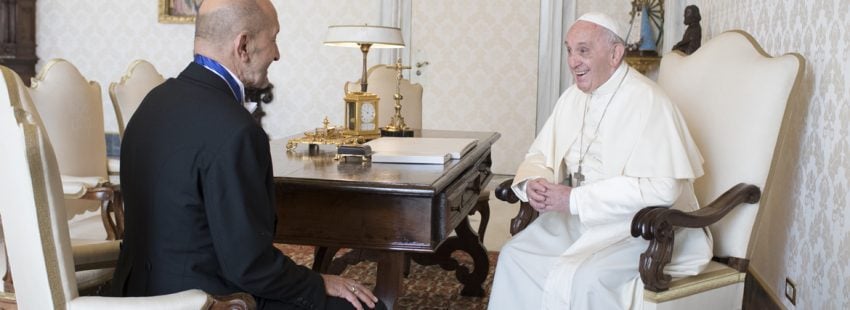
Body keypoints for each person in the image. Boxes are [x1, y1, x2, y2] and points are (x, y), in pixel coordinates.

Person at [111, 0, 384, 309]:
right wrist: (318, 282)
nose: (277, 54)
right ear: (243, 46)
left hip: (136, 293)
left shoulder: (153, 102)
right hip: (207, 300)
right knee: (366, 306)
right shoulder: (236, 129)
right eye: (274, 39)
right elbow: (250, 267)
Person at [488, 12, 713, 309]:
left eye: (583, 50)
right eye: (570, 50)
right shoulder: (572, 98)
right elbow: (540, 155)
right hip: (581, 220)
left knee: (586, 278)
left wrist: (575, 199)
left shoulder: (648, 101)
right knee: (515, 255)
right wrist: (533, 182)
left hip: (641, 228)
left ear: (615, 54)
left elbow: (663, 190)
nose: (573, 61)